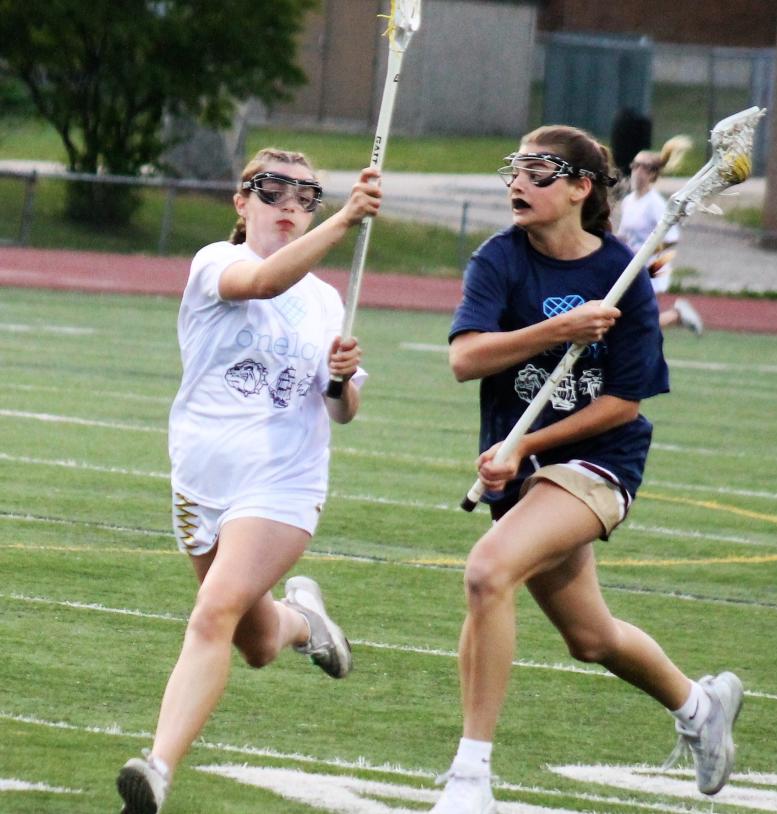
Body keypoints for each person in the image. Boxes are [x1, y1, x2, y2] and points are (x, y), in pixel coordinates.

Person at [432, 126, 742, 814]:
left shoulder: (623, 275)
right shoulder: (498, 260)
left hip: (596, 462)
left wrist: (531, 445)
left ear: (579, 188)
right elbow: (466, 359)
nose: (518, 183)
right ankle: (699, 706)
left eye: (539, 172)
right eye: (514, 169)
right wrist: (558, 333)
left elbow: (623, 403)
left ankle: (470, 779)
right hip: (523, 467)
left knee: (488, 573)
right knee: (590, 637)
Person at [116, 148, 382, 814]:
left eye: (306, 195)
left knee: (212, 614)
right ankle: (302, 621)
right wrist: (346, 218)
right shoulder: (217, 263)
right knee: (258, 641)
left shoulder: (327, 302)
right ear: (242, 202)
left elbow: (342, 411)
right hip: (202, 483)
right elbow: (262, 284)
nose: (290, 204)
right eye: (273, 191)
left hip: (283, 484)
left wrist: (344, 380)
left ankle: (157, 768)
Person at [617, 135, 704, 336]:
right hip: (632, 266)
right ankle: (677, 315)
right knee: (633, 320)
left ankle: (677, 315)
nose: (637, 171)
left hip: (655, 266)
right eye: (635, 165)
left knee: (639, 323)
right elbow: (624, 235)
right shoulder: (629, 201)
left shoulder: (656, 204)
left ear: (653, 174)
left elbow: (672, 238)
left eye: (644, 167)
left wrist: (646, 257)